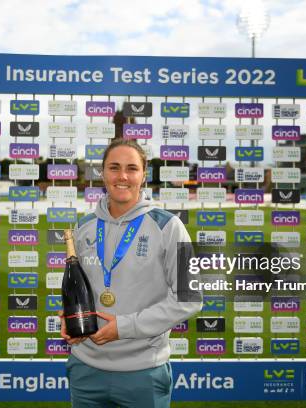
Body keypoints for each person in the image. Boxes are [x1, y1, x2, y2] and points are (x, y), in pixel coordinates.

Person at [60, 138, 202, 407]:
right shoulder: (84, 227)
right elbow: (77, 290)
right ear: (102, 173)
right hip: (85, 368)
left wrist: (125, 327)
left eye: (131, 168)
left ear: (143, 175)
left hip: (143, 373)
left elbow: (189, 297)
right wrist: (69, 316)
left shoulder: (171, 227)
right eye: (114, 167)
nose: (122, 176)